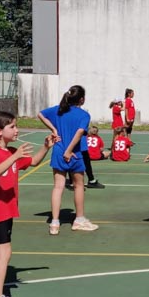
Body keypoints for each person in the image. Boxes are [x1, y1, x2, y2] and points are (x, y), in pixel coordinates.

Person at [0, 112, 53, 297]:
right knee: (5, 252)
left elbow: (34, 161)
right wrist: (14, 156)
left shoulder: (10, 151)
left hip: (7, 208)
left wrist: (46, 147)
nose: (17, 130)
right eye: (12, 127)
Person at [39, 85, 99, 234]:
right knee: (79, 186)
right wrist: (69, 150)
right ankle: (79, 219)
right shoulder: (84, 115)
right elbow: (79, 133)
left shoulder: (58, 110)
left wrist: (54, 129)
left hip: (58, 151)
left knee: (58, 187)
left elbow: (40, 114)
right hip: (74, 153)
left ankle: (54, 223)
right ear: (82, 99)